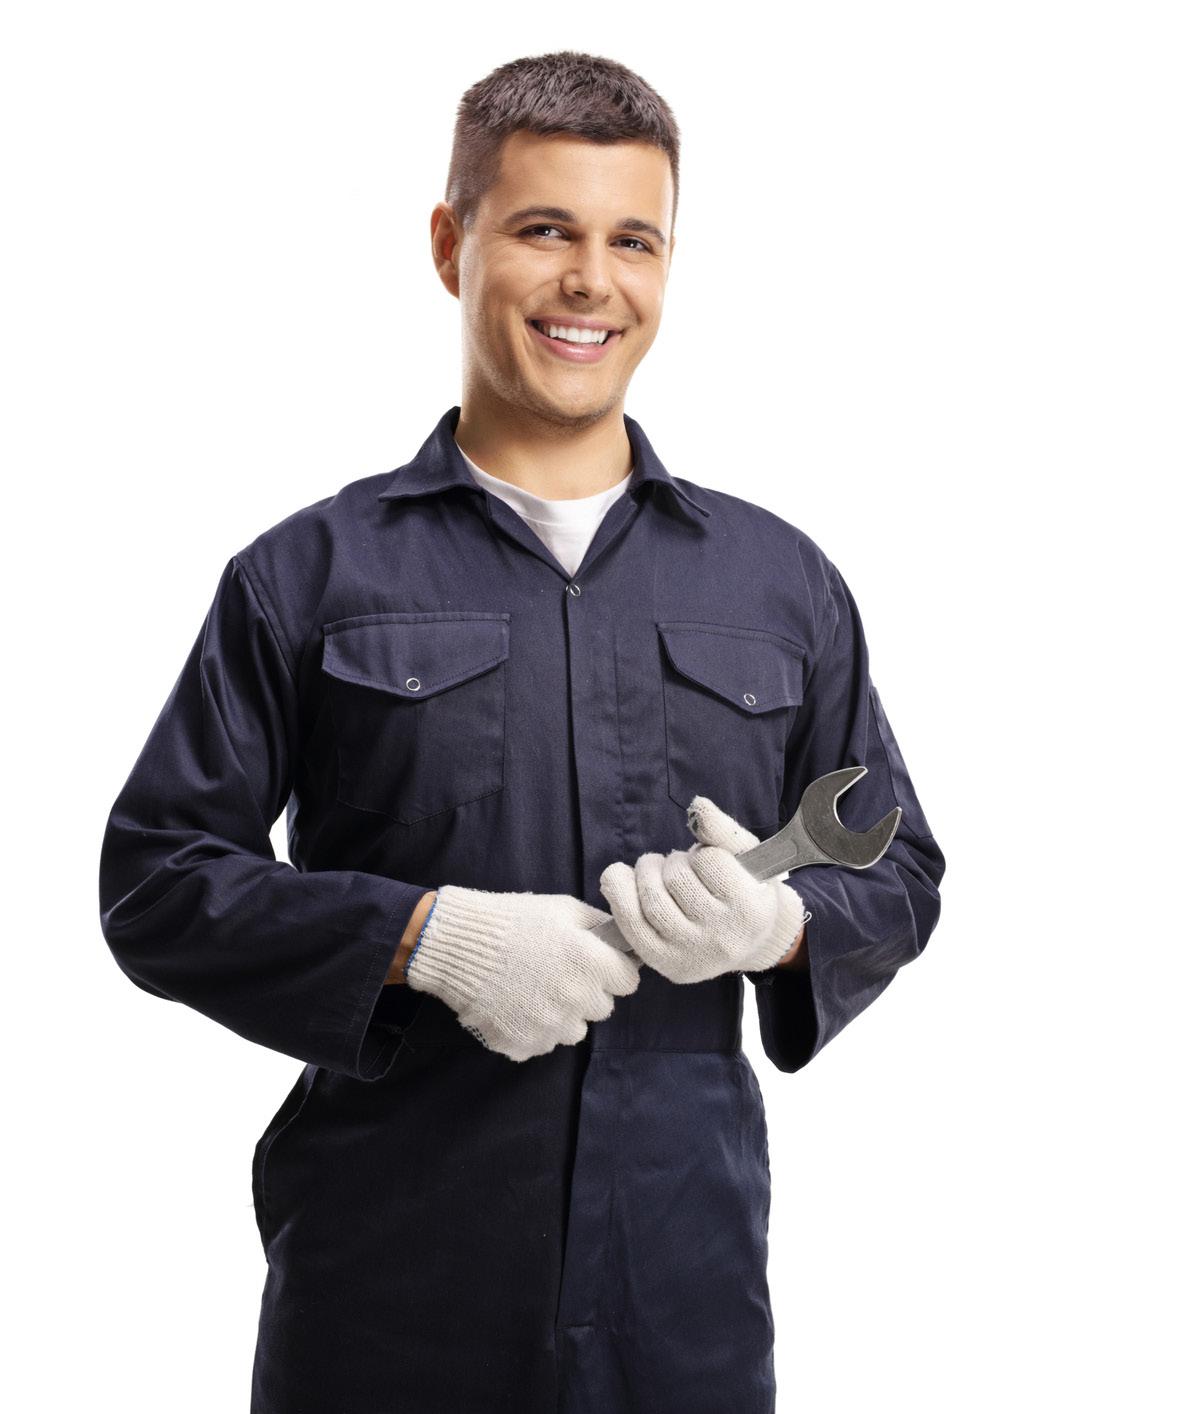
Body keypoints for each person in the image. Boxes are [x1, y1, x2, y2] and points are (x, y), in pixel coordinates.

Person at [98, 50, 945, 1414]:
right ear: (453, 244)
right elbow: (157, 879)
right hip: (384, 1310)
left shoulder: (780, 586)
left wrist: (780, 926)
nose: (589, 281)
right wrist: (423, 937)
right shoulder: (306, 578)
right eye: (546, 229)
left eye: (632, 240)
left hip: (682, 1312)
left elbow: (901, 872)